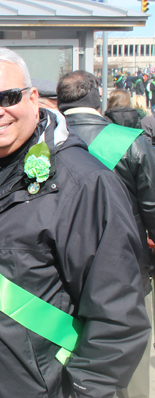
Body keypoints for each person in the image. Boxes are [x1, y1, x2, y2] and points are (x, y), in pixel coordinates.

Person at [0, 48, 150, 398]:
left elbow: (118, 319)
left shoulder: (85, 183)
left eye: (7, 97)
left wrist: (82, 391)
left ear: (34, 100)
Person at [56, 70, 155, 398]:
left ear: (59, 101)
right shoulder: (133, 142)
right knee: (129, 364)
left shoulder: (44, 145)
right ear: (96, 98)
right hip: (127, 272)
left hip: (59, 278)